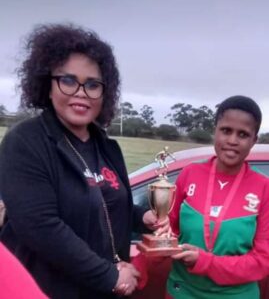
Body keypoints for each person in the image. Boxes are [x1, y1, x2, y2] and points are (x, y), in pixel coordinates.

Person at [0, 23, 166, 299]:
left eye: (92, 84)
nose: (81, 92)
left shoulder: (107, 147)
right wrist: (111, 276)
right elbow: (41, 227)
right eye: (68, 80)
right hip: (46, 290)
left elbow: (110, 203)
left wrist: (143, 217)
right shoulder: (26, 142)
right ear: (47, 83)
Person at [166, 96, 269, 299]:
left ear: (254, 140)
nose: (232, 141)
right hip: (181, 292)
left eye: (243, 134)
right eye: (226, 130)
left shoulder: (264, 187)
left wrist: (206, 262)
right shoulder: (190, 174)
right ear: (215, 130)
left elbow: (263, 261)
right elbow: (168, 228)